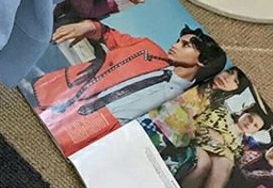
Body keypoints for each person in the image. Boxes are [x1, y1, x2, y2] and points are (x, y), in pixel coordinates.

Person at [33, 21, 227, 155]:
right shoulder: (149, 50)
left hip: (109, 134)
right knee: (34, 128)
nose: (175, 45)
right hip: (77, 103)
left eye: (185, 45)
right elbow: (109, 35)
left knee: (48, 154)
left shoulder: (185, 99)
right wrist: (89, 26)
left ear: (203, 61)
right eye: (178, 40)